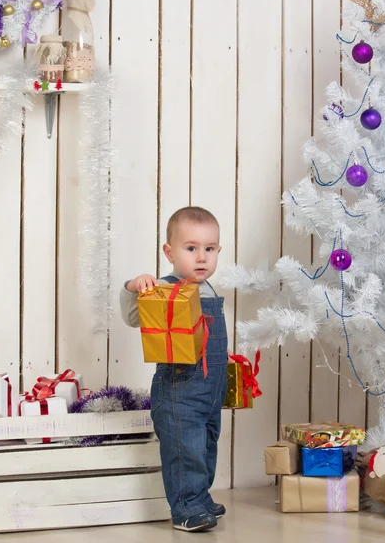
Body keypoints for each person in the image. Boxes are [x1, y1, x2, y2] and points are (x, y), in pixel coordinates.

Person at [120, 206, 231, 532]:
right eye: (191, 248)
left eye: (209, 249)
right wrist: (133, 286)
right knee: (185, 449)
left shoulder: (208, 288)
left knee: (207, 444)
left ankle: (200, 497)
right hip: (179, 387)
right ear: (169, 252)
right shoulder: (164, 290)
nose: (202, 257)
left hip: (210, 386)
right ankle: (185, 508)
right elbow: (131, 318)